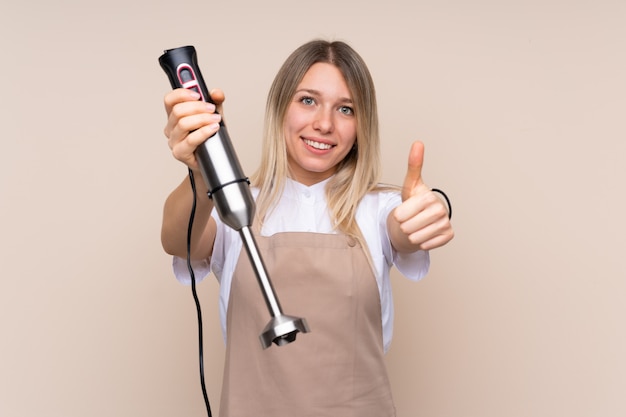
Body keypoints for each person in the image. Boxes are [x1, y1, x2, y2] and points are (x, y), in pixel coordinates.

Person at [160, 39, 454, 417]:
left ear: (362, 125)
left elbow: (404, 230)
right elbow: (176, 240)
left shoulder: (382, 209)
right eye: (308, 100)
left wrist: (427, 214)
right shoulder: (233, 208)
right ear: (281, 107)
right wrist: (202, 170)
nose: (325, 124)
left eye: (345, 109)